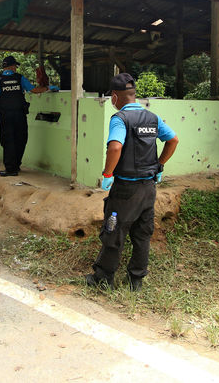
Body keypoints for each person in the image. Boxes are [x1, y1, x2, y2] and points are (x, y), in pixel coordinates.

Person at [86, 73, 178, 292]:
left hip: (125, 190)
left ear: (115, 96)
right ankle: (135, 280)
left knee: (113, 231)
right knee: (142, 234)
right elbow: (173, 139)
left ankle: (103, 277)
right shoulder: (152, 118)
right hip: (148, 189)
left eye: (111, 97)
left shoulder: (120, 119)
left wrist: (108, 174)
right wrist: (159, 166)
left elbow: (115, 147)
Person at [0, 55, 58, 177]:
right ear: (12, 66)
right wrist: (48, 88)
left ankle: (10, 168)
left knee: (7, 141)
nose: (16, 68)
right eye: (15, 66)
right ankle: (15, 165)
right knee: (21, 139)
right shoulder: (19, 78)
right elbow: (34, 90)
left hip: (5, 116)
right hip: (19, 115)